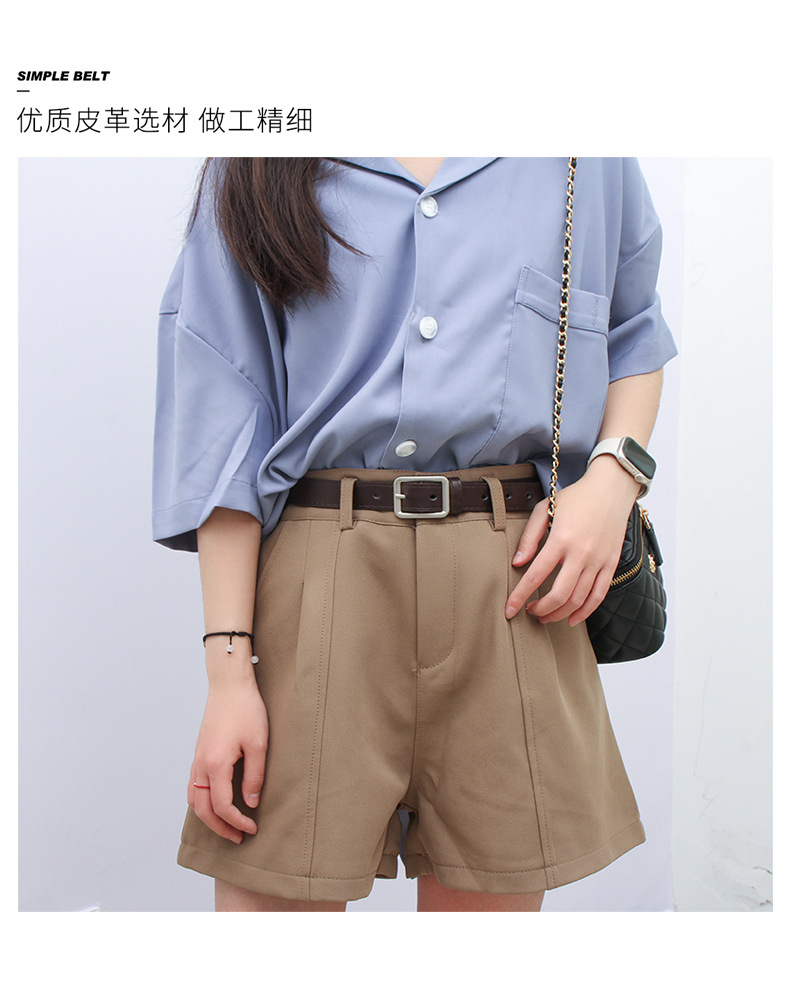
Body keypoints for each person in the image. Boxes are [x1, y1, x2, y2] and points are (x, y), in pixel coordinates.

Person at [152, 157, 677, 912]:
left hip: (514, 582)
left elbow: (635, 330)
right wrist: (229, 676)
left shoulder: (577, 152)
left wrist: (614, 480)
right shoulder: (262, 156)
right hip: (322, 583)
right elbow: (226, 421)